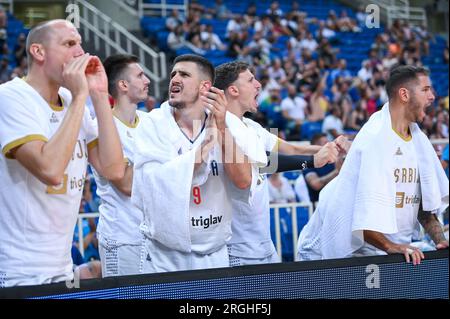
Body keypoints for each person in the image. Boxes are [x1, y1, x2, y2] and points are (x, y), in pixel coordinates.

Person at [0, 20, 125, 287]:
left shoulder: (70, 102)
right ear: (38, 52)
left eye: (80, 43)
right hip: (17, 270)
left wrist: (100, 95)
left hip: (61, 265)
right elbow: (50, 170)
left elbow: (114, 170)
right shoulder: (10, 97)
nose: (81, 52)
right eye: (69, 44)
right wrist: (81, 97)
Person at [297, 65, 449, 265]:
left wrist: (441, 241)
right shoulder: (375, 138)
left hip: (380, 249)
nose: (432, 96)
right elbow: (359, 215)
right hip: (334, 250)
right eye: (425, 89)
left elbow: (423, 206)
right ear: (404, 94)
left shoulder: (419, 142)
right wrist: (390, 246)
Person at [132, 54, 257, 273]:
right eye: (173, 74)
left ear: (204, 86)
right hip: (164, 257)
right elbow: (153, 183)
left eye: (184, 74)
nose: (175, 79)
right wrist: (204, 148)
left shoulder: (228, 125)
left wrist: (221, 129)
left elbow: (244, 181)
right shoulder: (151, 124)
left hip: (214, 254)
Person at [213, 61, 346, 266]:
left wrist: (333, 148)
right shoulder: (222, 126)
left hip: (263, 243)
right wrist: (312, 161)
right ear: (233, 90)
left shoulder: (251, 126)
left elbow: (293, 149)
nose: (258, 85)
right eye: (250, 80)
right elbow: (263, 161)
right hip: (238, 248)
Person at [92, 54, 150, 277]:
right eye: (140, 75)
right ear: (123, 85)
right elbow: (126, 185)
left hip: (151, 237)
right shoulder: (102, 126)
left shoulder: (149, 122)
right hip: (122, 238)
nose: (147, 80)